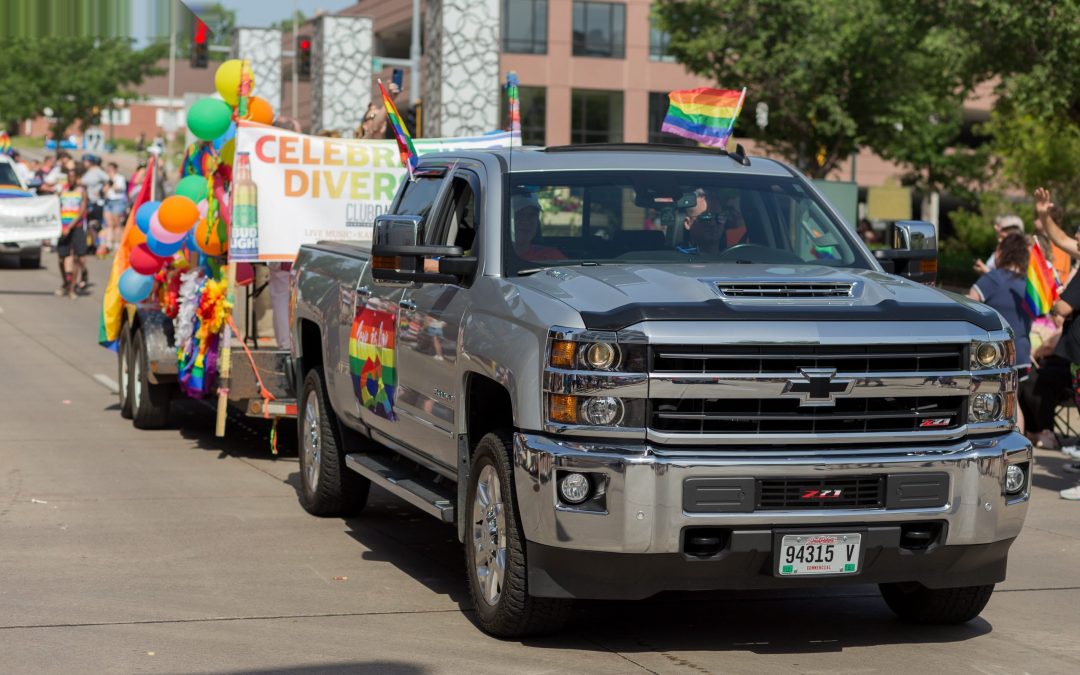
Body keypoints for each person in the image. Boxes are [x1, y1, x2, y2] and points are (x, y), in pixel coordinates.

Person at [968, 232, 1033, 432]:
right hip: (1022, 352)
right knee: (1013, 402)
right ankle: (1019, 440)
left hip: (997, 352)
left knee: (982, 398)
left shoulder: (994, 278)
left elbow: (969, 304)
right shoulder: (1029, 284)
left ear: (1003, 252)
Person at [679, 188, 748, 254]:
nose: (713, 224)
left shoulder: (738, 260)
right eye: (706, 217)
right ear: (688, 223)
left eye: (720, 217)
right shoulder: (676, 261)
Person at [55, 170, 88, 298]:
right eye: (69, 177)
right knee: (61, 257)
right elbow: (55, 205)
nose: (71, 180)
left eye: (73, 177)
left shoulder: (81, 192)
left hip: (77, 227)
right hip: (63, 228)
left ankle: (72, 288)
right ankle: (66, 282)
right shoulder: (62, 190)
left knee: (77, 258)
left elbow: (82, 210)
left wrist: (70, 226)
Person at [510, 193, 565, 262]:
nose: (526, 222)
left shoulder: (551, 256)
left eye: (532, 215)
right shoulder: (494, 257)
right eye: (519, 215)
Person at [102, 162, 128, 252]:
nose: (109, 171)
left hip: (118, 201)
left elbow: (118, 189)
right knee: (109, 223)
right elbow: (105, 190)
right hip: (108, 201)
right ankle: (109, 243)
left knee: (117, 223)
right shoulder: (106, 179)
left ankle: (117, 243)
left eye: (111, 169)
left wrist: (112, 181)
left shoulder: (120, 178)